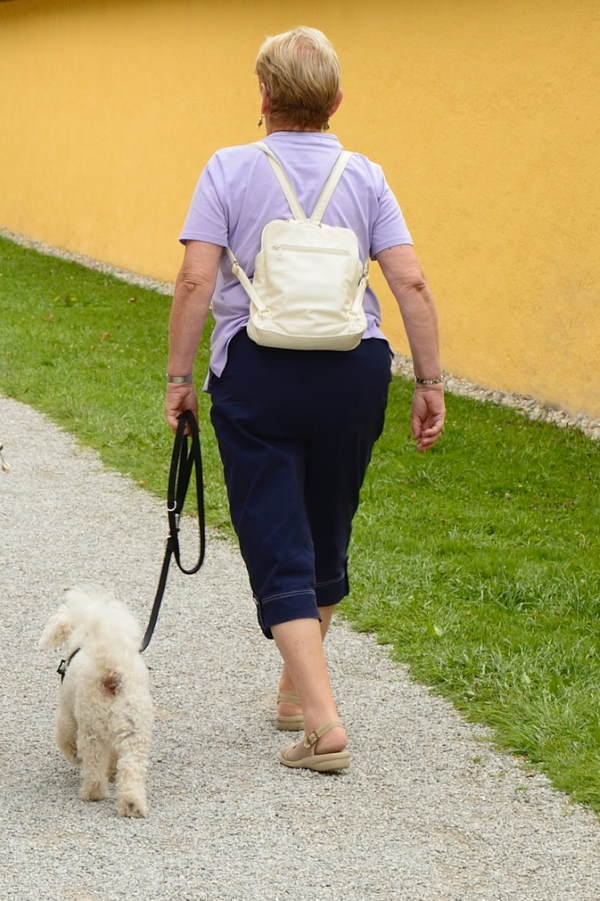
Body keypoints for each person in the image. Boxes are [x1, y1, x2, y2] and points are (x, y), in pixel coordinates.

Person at [165, 26, 445, 772]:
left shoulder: (228, 169)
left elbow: (197, 279)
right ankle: (295, 688)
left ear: (263, 97)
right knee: (328, 521)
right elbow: (411, 281)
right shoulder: (367, 176)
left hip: (259, 372)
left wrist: (180, 377)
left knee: (275, 533)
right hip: (354, 371)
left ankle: (322, 726)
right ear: (337, 100)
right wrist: (429, 380)